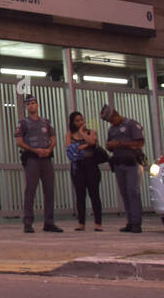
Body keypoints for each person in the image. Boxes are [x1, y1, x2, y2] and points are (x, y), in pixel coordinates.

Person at [14, 95, 62, 234]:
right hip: (32, 159)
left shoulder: (45, 122)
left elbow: (53, 139)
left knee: (49, 191)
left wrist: (49, 149)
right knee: (30, 191)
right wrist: (35, 150)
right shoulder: (23, 123)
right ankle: (28, 223)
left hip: (46, 159)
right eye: (29, 104)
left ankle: (49, 222)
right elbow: (19, 142)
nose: (31, 106)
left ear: (38, 105)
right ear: (26, 107)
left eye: (34, 103)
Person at [101, 104, 145, 233]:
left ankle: (137, 222)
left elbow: (139, 143)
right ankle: (130, 221)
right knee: (124, 193)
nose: (111, 123)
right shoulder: (112, 129)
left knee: (133, 192)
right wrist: (110, 146)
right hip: (119, 163)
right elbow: (109, 146)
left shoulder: (131, 124)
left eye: (111, 120)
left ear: (116, 114)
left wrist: (120, 143)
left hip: (132, 163)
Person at [65, 111, 102, 231]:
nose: (80, 122)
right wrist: (83, 145)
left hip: (91, 165)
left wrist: (82, 133)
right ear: (72, 122)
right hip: (77, 166)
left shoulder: (91, 132)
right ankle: (81, 223)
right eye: (77, 120)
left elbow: (92, 141)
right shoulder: (70, 134)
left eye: (81, 119)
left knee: (94, 194)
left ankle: (98, 223)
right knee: (80, 195)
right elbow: (70, 149)